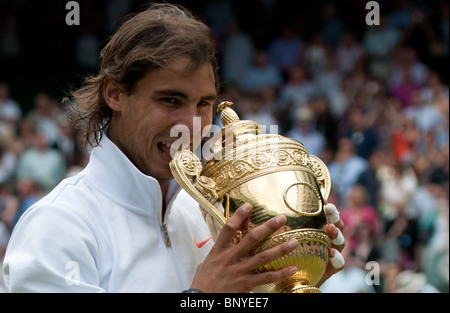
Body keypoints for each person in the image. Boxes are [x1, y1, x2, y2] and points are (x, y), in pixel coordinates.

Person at [3, 4, 345, 293]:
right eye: (170, 100)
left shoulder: (210, 212)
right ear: (115, 94)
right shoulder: (58, 226)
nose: (191, 124)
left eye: (203, 103)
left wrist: (290, 277)